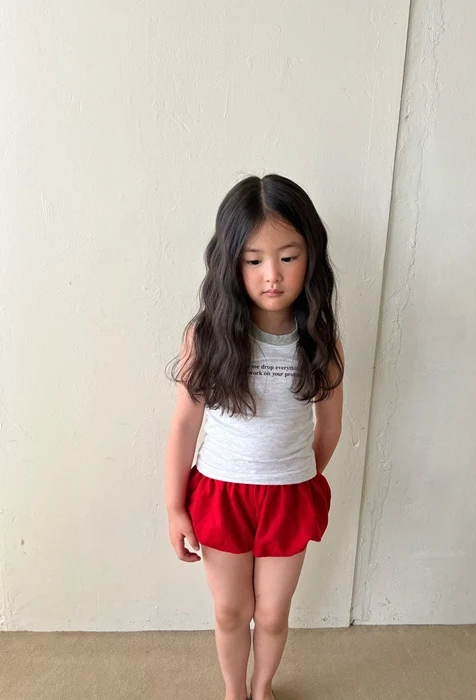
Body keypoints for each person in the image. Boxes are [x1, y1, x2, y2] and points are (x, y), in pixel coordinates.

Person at [165, 173, 344, 700]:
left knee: (271, 613)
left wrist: (295, 475)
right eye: (253, 260)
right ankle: (234, 691)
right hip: (220, 495)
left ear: (310, 257)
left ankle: (262, 688)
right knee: (230, 610)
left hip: (288, 497)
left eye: (288, 257)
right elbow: (184, 424)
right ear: (231, 263)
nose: (272, 275)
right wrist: (175, 507)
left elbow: (329, 428)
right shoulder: (207, 337)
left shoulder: (321, 341)